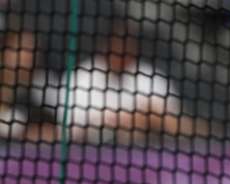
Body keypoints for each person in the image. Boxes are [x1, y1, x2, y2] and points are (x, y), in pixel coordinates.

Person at [56, 24, 205, 144]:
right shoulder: (81, 78)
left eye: (127, 46)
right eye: (117, 46)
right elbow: (66, 131)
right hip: (90, 158)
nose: (122, 52)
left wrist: (149, 117)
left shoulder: (149, 76)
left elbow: (179, 125)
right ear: (105, 48)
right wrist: (120, 121)